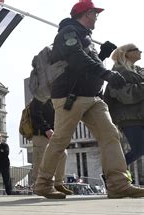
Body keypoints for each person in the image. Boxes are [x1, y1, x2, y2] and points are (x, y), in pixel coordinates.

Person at [34, 1, 144, 199]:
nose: (96, 18)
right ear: (86, 13)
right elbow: (77, 59)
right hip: (71, 96)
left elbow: (87, 65)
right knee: (61, 139)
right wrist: (107, 74)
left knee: (110, 134)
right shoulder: (67, 32)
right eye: (95, 14)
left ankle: (118, 184)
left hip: (93, 97)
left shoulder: (86, 37)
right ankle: (43, 184)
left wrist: (101, 55)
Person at [104, 44, 144, 167]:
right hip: (130, 118)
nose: (140, 51)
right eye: (136, 49)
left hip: (140, 116)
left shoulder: (137, 70)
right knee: (139, 149)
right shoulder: (118, 72)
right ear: (126, 53)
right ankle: (111, 173)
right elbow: (126, 95)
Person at [29, 98, 72, 195]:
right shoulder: (39, 98)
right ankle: (37, 185)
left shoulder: (53, 100)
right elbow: (35, 114)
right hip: (40, 134)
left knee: (63, 154)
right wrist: (46, 128)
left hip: (51, 134)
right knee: (40, 159)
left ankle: (58, 183)